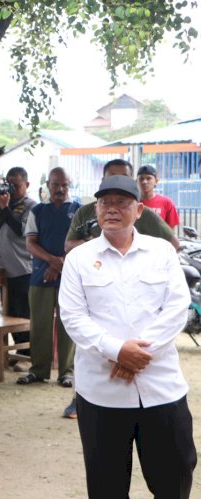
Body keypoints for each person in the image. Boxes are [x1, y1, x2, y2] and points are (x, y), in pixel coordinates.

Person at [59, 175, 196, 498]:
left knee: (174, 478)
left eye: (122, 202)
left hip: (161, 388)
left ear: (140, 210)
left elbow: (177, 307)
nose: (112, 209)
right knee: (107, 485)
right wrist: (118, 351)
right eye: (105, 202)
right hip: (102, 393)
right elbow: (73, 317)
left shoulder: (161, 252)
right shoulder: (79, 258)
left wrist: (136, 355)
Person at [17, 167, 78, 386]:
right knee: (40, 325)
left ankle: (67, 372)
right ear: (48, 186)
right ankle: (38, 370)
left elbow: (84, 243)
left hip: (71, 279)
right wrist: (53, 262)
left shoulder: (78, 210)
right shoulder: (38, 211)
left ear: (69, 186)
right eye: (55, 184)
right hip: (40, 276)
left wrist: (61, 264)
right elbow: (30, 243)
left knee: (68, 325)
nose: (60, 189)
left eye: (64, 185)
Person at [65, 159, 179, 253]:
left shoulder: (147, 214)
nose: (118, 181)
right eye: (105, 203)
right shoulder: (84, 212)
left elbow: (174, 245)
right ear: (96, 209)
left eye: (124, 177)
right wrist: (95, 243)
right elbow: (68, 246)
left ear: (138, 211)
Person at [0, 166, 37, 360]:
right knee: (9, 312)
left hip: (23, 268)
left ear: (27, 184)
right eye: (8, 185)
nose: (11, 189)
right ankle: (16, 351)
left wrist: (5, 207)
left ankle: (26, 353)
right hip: (5, 269)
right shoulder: (6, 205)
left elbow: (21, 230)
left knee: (23, 314)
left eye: (16, 185)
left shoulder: (31, 206)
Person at [136, 164, 180, 229]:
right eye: (141, 179)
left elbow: (171, 230)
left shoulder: (167, 202)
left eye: (148, 178)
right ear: (137, 181)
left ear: (156, 181)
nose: (144, 182)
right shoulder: (132, 202)